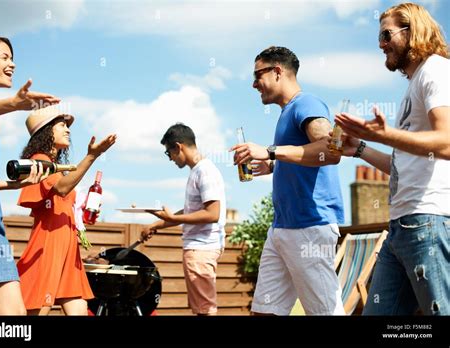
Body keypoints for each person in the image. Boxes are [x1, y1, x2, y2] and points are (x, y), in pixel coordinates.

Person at [335, 3, 449, 315]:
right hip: (400, 227)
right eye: (379, 37)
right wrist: (358, 149)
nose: (381, 44)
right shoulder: (414, 85)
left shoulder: (436, 71)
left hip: (428, 220)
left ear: (413, 31)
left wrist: (384, 135)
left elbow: (447, 141)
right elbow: (403, 165)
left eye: (387, 35)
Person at [231, 46, 345, 315]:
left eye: (258, 75)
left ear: (278, 71)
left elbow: (331, 151)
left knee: (325, 313)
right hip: (281, 228)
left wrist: (271, 151)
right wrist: (273, 164)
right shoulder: (287, 112)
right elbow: (303, 155)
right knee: (265, 311)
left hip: (308, 227)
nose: (254, 83)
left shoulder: (307, 104)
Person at [0, 34, 59, 315]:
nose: (12, 64)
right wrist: (15, 103)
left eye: (13, 58)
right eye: (4, 57)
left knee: (15, 321)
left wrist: (16, 184)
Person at [16, 105, 117, 315]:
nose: (68, 129)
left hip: (68, 245)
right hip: (49, 244)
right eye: (62, 124)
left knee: (78, 308)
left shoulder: (55, 166)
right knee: (36, 310)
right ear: (46, 132)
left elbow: (63, 197)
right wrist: (93, 155)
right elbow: (62, 188)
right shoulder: (39, 161)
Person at [141, 123, 226, 315]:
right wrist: (157, 224)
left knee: (204, 309)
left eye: (168, 153)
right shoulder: (197, 170)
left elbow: (213, 214)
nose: (170, 158)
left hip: (201, 247)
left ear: (178, 146)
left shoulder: (205, 171)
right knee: (201, 307)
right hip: (200, 247)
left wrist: (171, 217)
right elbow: (190, 212)